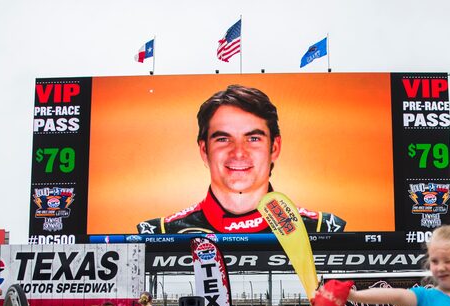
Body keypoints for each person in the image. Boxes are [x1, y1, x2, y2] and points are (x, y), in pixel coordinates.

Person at [136, 84, 347, 235]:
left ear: (274, 147)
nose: (238, 152)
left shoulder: (322, 228)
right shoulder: (160, 232)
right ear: (204, 150)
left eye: (253, 138)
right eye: (223, 139)